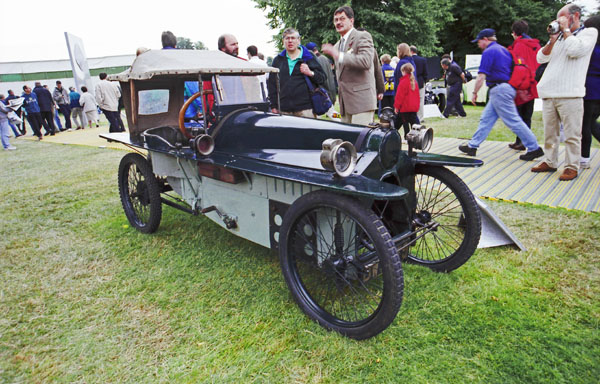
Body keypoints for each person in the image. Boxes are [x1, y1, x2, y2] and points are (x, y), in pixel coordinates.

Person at [531, 4, 597, 180]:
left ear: (575, 16)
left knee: (572, 134)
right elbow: (540, 58)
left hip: (570, 92)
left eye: (562, 17)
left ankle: (571, 165)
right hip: (549, 91)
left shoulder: (588, 33)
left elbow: (575, 50)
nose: (558, 22)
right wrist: (552, 40)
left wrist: (566, 30)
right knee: (549, 133)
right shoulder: (560, 37)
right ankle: (550, 161)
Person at [459, 28, 544, 161]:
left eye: (479, 41)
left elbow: (481, 75)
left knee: (513, 121)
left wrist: (474, 92)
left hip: (499, 89)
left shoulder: (489, 51)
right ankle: (472, 146)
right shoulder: (504, 50)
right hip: (505, 88)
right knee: (486, 119)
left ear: (485, 39)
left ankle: (534, 148)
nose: (478, 44)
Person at [321, 6, 379, 125]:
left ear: (351, 20)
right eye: (336, 20)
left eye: (342, 19)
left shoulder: (363, 36)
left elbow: (366, 61)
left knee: (360, 141)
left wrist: (339, 56)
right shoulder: (337, 46)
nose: (338, 22)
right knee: (347, 142)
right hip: (344, 106)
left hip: (362, 103)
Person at [267, 28, 326, 117]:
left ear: (298, 40)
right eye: (287, 38)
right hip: (284, 110)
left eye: (293, 38)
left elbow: (322, 78)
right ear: (283, 41)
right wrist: (274, 106)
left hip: (306, 109)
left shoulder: (308, 57)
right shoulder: (277, 60)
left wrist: (310, 73)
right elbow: (272, 85)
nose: (290, 41)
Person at [507, 20, 541, 151]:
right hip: (533, 83)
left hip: (521, 84)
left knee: (518, 115)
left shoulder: (519, 45)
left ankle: (521, 141)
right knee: (527, 114)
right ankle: (522, 141)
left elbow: (516, 65)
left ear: (515, 32)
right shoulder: (535, 45)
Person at [580, 15, 600, 169]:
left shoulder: (590, 47)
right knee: (592, 123)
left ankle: (584, 158)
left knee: (586, 124)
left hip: (590, 88)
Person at [394, 63, 420, 136]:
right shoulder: (414, 82)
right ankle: (416, 138)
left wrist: (396, 106)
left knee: (396, 125)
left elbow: (399, 96)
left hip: (404, 108)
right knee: (415, 125)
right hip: (413, 108)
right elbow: (417, 96)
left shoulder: (403, 82)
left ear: (404, 71)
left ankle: (390, 136)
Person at [410, 46, 428, 121]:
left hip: (411, 80)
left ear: (411, 51)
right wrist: (425, 81)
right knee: (421, 100)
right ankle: (420, 117)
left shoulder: (409, 60)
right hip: (420, 80)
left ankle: (413, 116)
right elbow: (425, 72)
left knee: (411, 99)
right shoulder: (423, 60)